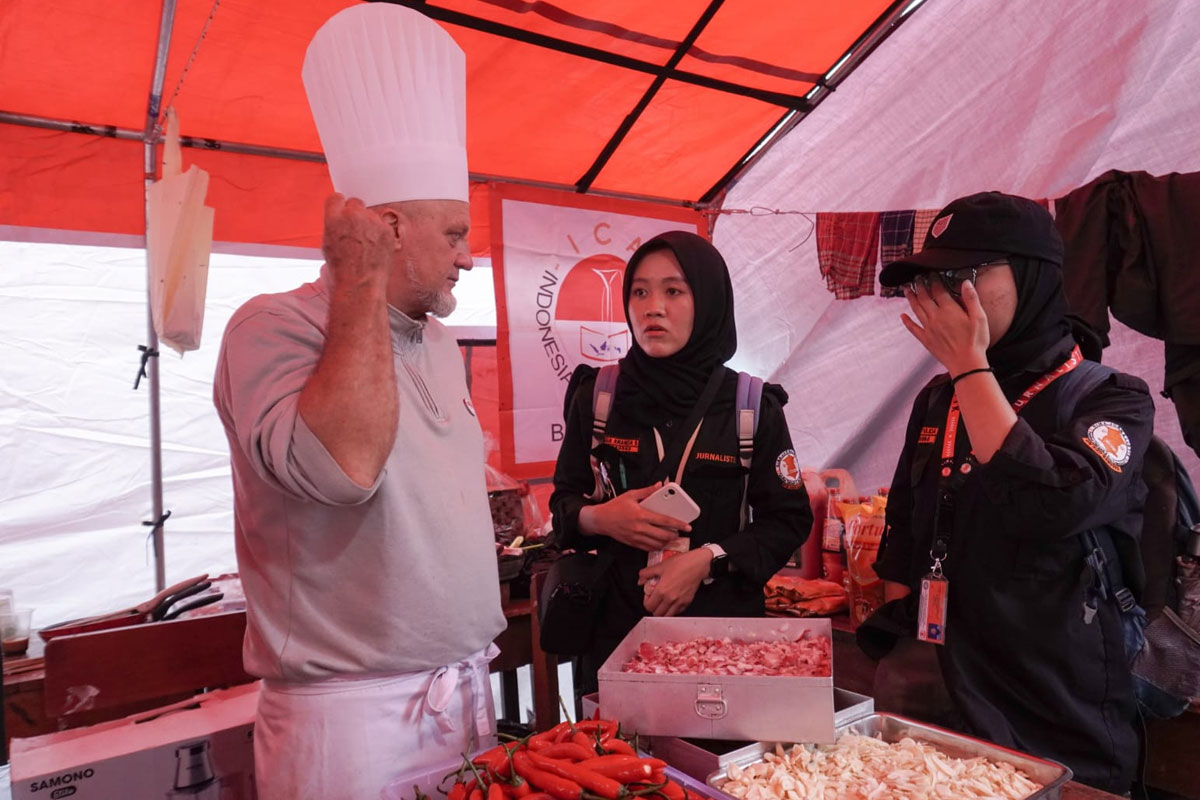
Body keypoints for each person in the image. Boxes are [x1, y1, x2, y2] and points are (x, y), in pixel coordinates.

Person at [211, 5, 504, 799]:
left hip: (464, 690)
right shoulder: (271, 325)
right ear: (388, 229)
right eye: (454, 234)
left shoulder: (437, 342)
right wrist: (359, 282)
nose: (468, 257)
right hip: (351, 720)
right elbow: (344, 470)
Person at [868, 191, 1153, 794]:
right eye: (931, 281)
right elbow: (906, 528)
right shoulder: (937, 399)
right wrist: (908, 653)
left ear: (1031, 275)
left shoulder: (1113, 398)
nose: (942, 297)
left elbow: (1053, 505)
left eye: (963, 276)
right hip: (941, 706)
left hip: (1054, 711)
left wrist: (971, 369)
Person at [550, 231, 812, 698]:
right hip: (617, 639)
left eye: (673, 291)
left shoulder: (750, 406)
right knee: (617, 746)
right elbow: (564, 506)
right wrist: (601, 519)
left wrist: (709, 560)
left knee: (714, 747)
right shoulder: (598, 397)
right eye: (639, 292)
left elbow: (788, 520)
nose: (653, 308)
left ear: (708, 302)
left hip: (725, 644)